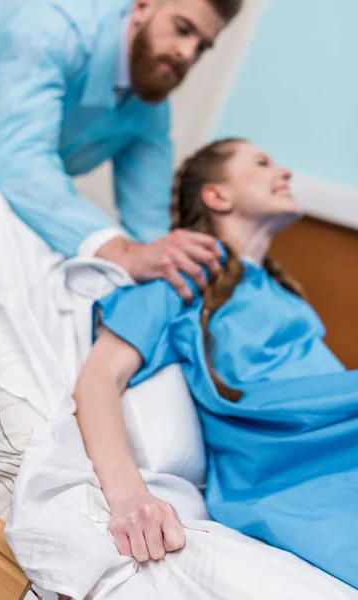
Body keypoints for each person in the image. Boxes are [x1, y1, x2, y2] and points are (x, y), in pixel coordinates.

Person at [75, 138, 358, 589]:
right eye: (263, 163)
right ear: (217, 195)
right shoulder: (180, 280)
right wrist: (130, 496)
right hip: (289, 471)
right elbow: (98, 380)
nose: (284, 173)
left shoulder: (286, 296)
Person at [0, 0, 242, 301]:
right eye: (182, 29)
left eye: (202, 48)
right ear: (143, 7)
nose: (186, 53)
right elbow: (19, 162)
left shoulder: (150, 113)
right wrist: (118, 250)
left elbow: (151, 226)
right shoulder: (51, 30)